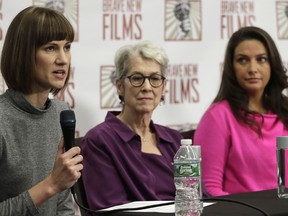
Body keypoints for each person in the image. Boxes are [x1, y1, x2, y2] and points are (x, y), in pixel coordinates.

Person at [0, 6, 83, 215]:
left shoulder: (61, 113)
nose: (63, 59)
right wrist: (51, 184)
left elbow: (63, 203)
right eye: (50, 48)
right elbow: (55, 186)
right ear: (24, 53)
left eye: (67, 47)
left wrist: (57, 186)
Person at [81, 41, 183, 210]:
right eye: (137, 78)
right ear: (120, 86)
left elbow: (199, 197)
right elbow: (110, 209)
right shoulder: (100, 140)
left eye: (155, 79)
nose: (147, 87)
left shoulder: (175, 140)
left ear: (163, 87)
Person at [194, 26, 288, 197]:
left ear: (272, 64)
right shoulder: (218, 117)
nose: (253, 68)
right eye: (243, 60)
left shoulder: (285, 111)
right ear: (231, 67)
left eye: (261, 59)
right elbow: (208, 189)